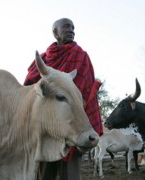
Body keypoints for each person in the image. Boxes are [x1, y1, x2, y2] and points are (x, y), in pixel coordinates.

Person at [24, 18, 103, 180]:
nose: (71, 30)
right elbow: (30, 89)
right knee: (46, 172)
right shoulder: (43, 60)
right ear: (55, 32)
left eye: (73, 27)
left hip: (73, 124)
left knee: (70, 173)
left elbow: (83, 92)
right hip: (48, 126)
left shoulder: (80, 56)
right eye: (66, 27)